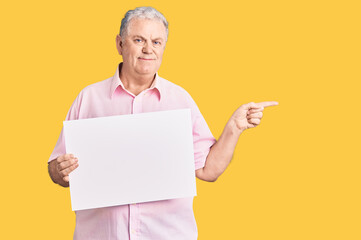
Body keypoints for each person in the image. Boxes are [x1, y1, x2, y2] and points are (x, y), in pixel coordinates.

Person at [48, 6, 278, 240]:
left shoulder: (180, 100)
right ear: (120, 44)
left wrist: (235, 127)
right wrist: (59, 170)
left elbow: (208, 170)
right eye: (139, 40)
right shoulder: (88, 98)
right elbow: (56, 169)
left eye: (157, 42)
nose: (148, 49)